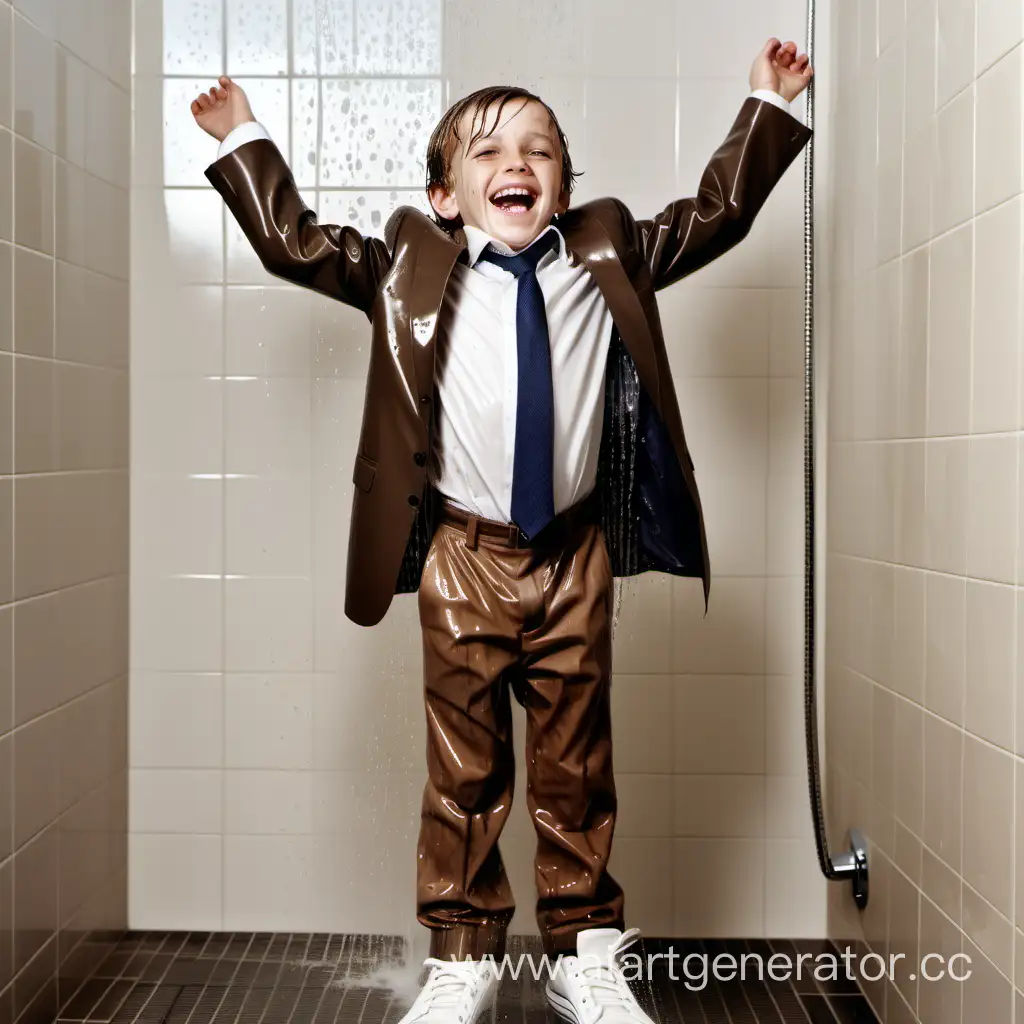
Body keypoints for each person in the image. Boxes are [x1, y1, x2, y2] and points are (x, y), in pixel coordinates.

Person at [193, 37, 812, 1024]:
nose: (513, 164)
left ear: (562, 186)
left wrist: (765, 106)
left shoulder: (605, 253)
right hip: (464, 556)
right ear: (445, 195)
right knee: (464, 767)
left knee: (576, 763)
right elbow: (295, 243)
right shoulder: (404, 264)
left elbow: (717, 215)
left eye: (536, 149)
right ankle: (464, 956)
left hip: (571, 552)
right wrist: (244, 139)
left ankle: (584, 948)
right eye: (485, 152)